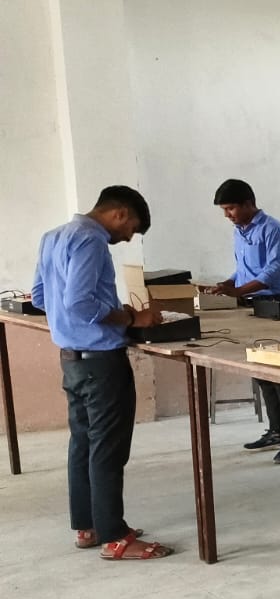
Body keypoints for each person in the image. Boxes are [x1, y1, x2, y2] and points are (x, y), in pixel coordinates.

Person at [31, 186, 174, 560]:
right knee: (108, 448)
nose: (127, 238)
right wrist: (128, 316)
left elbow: (41, 298)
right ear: (120, 213)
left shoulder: (53, 237)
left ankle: (89, 525)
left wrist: (97, 313)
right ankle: (114, 536)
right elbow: (80, 303)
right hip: (101, 361)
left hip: (72, 358)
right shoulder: (91, 240)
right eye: (131, 229)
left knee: (83, 443)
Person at [200, 179, 280, 464]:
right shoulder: (239, 232)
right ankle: (276, 431)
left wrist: (239, 290)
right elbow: (243, 269)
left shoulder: (273, 229)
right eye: (224, 210)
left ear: (248, 204)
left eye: (231, 208)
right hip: (248, 304)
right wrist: (228, 284)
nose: (227, 215)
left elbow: (274, 270)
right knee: (260, 370)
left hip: (273, 304)